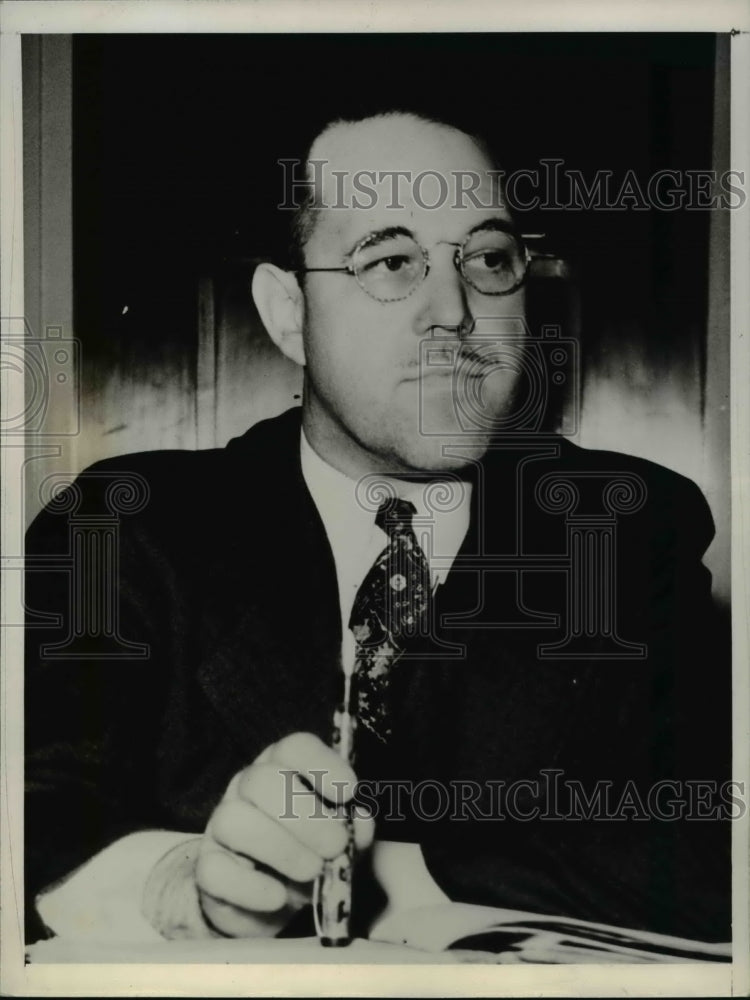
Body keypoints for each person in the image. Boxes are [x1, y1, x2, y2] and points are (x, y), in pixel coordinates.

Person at [24, 111, 731, 946]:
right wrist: (184, 888)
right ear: (288, 313)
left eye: (490, 259)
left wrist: (385, 872)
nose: (455, 313)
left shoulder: (619, 527)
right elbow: (30, 812)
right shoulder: (123, 527)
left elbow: (710, 840)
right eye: (391, 261)